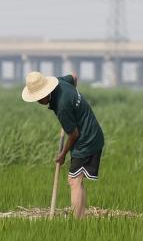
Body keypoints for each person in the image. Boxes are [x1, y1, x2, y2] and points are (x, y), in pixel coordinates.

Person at [22, 71, 104, 218]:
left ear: (46, 93)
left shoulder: (62, 106)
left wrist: (62, 155)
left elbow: (74, 134)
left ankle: (77, 222)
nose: (38, 101)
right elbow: (74, 76)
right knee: (77, 179)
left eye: (39, 98)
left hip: (87, 139)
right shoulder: (60, 82)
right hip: (89, 134)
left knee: (74, 180)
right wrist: (75, 103)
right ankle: (81, 218)